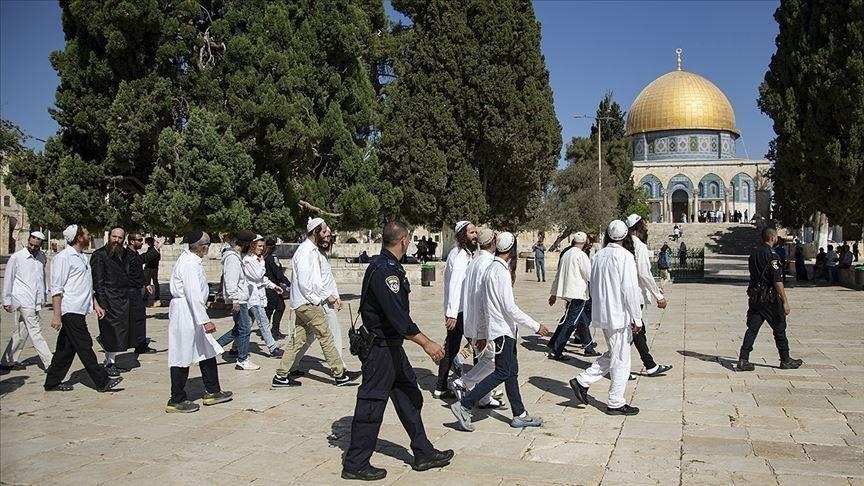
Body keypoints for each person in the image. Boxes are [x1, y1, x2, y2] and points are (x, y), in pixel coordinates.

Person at [342, 220, 453, 481]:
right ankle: (356, 463)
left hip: (392, 348)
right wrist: (427, 343)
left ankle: (423, 452)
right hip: (380, 351)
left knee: (408, 397)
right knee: (372, 404)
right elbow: (398, 318)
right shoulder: (385, 271)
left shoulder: (387, 266)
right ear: (404, 240)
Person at [450, 232, 550, 432]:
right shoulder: (500, 271)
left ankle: (519, 414)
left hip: (502, 331)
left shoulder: (491, 268)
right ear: (512, 250)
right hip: (502, 331)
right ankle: (464, 404)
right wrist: (536, 325)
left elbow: (484, 305)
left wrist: (481, 332)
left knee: (511, 372)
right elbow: (510, 308)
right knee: (502, 372)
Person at [272, 218, 358, 387]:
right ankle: (340, 374)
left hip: (304, 302)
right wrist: (316, 301)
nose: (327, 234)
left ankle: (280, 376)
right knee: (326, 336)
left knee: (298, 340)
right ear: (315, 232)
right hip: (307, 303)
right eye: (324, 231)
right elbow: (305, 282)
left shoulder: (312, 251)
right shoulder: (305, 252)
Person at [568, 220, 642, 416]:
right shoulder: (625, 256)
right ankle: (615, 402)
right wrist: (637, 317)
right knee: (621, 360)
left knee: (615, 353)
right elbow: (630, 290)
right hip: (619, 314)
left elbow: (593, 284)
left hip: (604, 313)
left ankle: (582, 381)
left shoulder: (599, 255)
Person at [44, 225, 123, 392]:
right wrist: (57, 315)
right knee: (85, 346)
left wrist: (95, 305)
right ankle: (102, 381)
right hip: (70, 310)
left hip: (80, 308)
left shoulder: (81, 257)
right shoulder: (63, 258)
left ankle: (52, 382)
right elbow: (57, 289)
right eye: (86, 234)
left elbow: (86, 285)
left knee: (65, 349)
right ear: (79, 237)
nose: (89, 236)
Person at [166, 231, 233, 413]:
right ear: (203, 246)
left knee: (206, 350)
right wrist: (205, 321)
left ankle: (213, 390)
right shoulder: (189, 264)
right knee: (182, 353)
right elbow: (193, 294)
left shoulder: (191, 261)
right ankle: (176, 399)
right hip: (186, 312)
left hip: (190, 311)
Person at [449, 227, 504, 408]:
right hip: (483, 322)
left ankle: (485, 397)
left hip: (471, 319)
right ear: (493, 242)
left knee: (483, 359)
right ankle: (463, 382)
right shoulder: (488, 264)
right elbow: (484, 298)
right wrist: (484, 330)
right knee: (493, 361)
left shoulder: (474, 261)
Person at [738, 227, 803, 371]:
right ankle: (785, 359)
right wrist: (785, 300)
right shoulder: (772, 255)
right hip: (770, 298)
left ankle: (743, 359)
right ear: (773, 237)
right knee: (779, 328)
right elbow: (777, 280)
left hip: (755, 297)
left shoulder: (754, 252)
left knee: (752, 329)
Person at [289, 222, 348, 370]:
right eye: (324, 235)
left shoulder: (320, 254)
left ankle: (292, 365)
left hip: (323, 299)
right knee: (331, 333)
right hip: (318, 301)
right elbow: (313, 282)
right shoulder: (309, 253)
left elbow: (329, 278)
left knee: (307, 336)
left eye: (329, 236)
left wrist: (337, 295)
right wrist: (328, 296)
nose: (327, 239)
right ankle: (340, 368)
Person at [626, 215, 673, 378]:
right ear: (639, 228)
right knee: (631, 334)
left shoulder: (624, 244)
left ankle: (650, 365)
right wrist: (658, 296)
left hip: (626, 295)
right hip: (633, 296)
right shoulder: (637, 245)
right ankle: (614, 368)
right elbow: (644, 274)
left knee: (637, 332)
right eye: (643, 226)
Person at [434, 220, 477, 399]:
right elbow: (455, 285)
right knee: (479, 347)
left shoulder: (464, 254)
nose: (475, 236)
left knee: (451, 348)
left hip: (459, 311)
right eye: (472, 233)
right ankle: (478, 388)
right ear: (462, 235)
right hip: (460, 312)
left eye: (476, 232)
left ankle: (440, 386)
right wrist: (452, 313)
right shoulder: (459, 256)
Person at [1, 231, 53, 371]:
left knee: (22, 331)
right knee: (35, 331)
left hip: (35, 299)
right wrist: (6, 300)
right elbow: (9, 278)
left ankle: (7, 360)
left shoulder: (41, 256)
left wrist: (44, 294)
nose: (33, 247)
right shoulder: (17, 257)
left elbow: (41, 277)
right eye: (31, 244)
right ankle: (49, 362)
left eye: (36, 246)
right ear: (28, 241)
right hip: (23, 299)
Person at [546, 231, 597, 360]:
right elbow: (589, 275)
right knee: (571, 322)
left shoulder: (566, 254)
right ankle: (557, 350)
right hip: (578, 293)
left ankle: (587, 346)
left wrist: (553, 293)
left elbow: (558, 275)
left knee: (576, 319)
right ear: (585, 242)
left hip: (568, 293)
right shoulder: (581, 255)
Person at [91, 226, 134, 375]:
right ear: (109, 237)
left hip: (122, 298)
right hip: (108, 298)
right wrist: (101, 303)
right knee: (110, 331)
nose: (116, 240)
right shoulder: (99, 255)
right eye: (114, 237)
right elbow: (98, 281)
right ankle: (109, 363)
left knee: (120, 332)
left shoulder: (124, 254)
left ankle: (112, 360)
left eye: (120, 238)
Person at [216, 230, 258, 370]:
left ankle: (211, 349)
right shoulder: (232, 258)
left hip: (241, 298)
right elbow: (231, 281)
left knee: (238, 329)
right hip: (238, 299)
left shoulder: (237, 257)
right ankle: (242, 359)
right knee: (245, 328)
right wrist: (235, 299)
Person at [243, 235, 285, 358]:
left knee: (245, 326)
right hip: (253, 297)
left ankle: (232, 346)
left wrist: (273, 286)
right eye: (259, 246)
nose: (262, 248)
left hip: (258, 295)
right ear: (252, 246)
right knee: (264, 322)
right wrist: (262, 263)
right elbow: (257, 276)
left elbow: (262, 279)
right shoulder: (248, 260)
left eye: (263, 246)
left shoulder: (256, 259)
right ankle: (272, 348)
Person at [127, 232, 156, 354]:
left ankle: (140, 344)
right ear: (132, 241)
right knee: (132, 319)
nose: (141, 242)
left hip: (137, 290)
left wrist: (146, 284)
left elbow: (140, 268)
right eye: (139, 240)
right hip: (130, 291)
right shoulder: (127, 255)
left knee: (139, 318)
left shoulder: (134, 253)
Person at [264, 238, 290, 340]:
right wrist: (288, 283)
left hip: (276, 287)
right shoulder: (269, 258)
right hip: (271, 287)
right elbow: (277, 273)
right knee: (269, 310)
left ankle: (275, 329)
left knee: (280, 307)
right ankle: (266, 332)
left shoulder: (272, 258)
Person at [142, 236, 161, 305]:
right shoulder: (151, 249)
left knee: (151, 282)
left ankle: (152, 296)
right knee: (149, 282)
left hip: (151, 267)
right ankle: (151, 295)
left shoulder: (153, 249)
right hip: (153, 267)